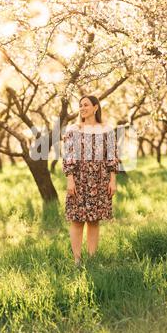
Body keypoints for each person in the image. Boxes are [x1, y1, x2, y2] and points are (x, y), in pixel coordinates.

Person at [62, 95, 120, 267]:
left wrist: (112, 180)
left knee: (94, 220)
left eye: (86, 105)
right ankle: (77, 260)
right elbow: (68, 156)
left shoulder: (106, 130)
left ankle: (93, 259)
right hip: (79, 178)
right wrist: (70, 180)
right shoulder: (73, 129)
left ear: (96, 107)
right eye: (80, 105)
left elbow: (112, 157)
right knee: (77, 219)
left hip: (100, 179)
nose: (82, 108)